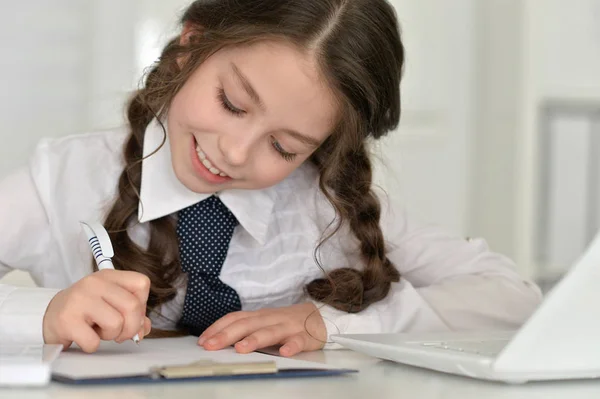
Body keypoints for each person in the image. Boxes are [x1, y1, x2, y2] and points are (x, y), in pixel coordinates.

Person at [0, 0, 541, 357]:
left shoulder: (330, 205)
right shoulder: (64, 177)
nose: (233, 153)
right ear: (191, 45)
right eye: (232, 103)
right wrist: (44, 313)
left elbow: (510, 297)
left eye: (284, 147)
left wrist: (330, 325)